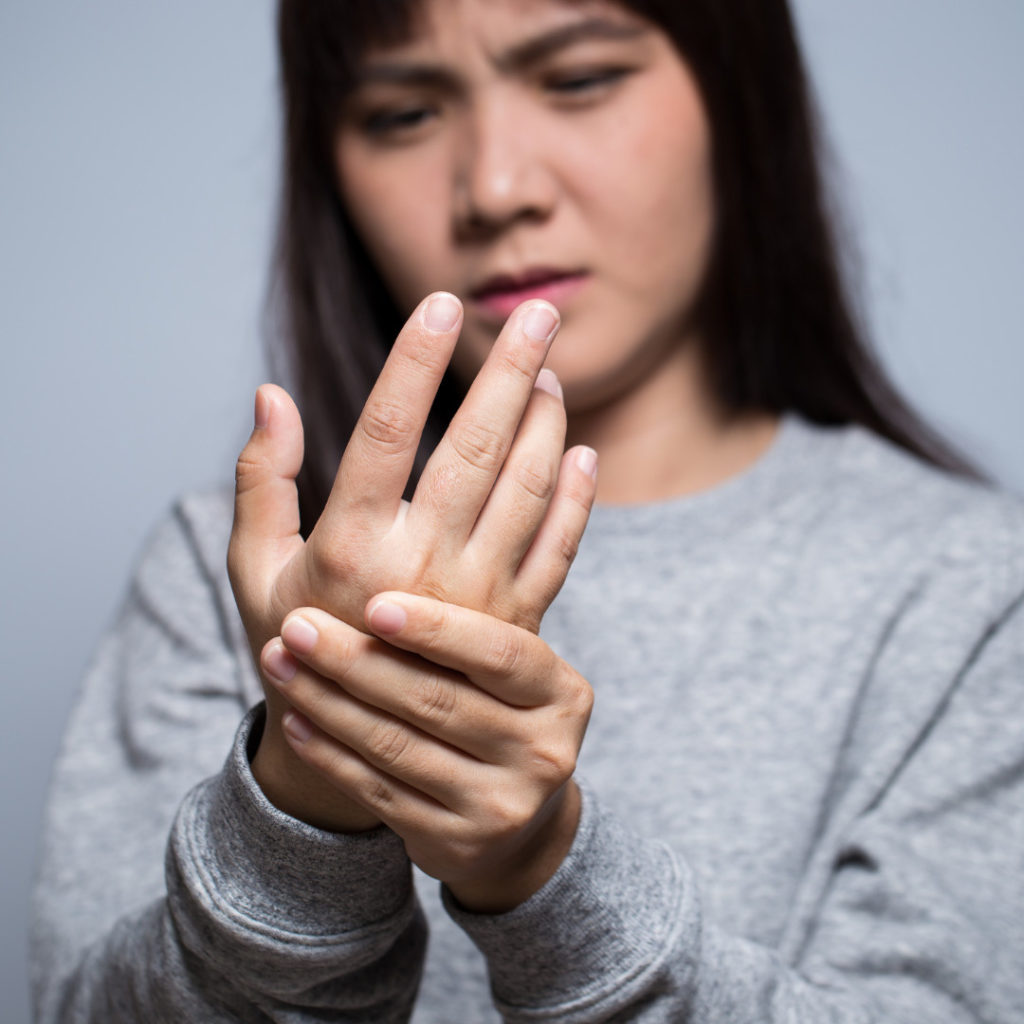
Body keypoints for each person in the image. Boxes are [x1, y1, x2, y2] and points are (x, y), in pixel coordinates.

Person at [31, 0, 1024, 1021]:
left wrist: (544, 867)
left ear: (741, 95)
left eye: (580, 79)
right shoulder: (230, 568)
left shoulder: (976, 591)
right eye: (403, 112)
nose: (495, 188)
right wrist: (306, 791)